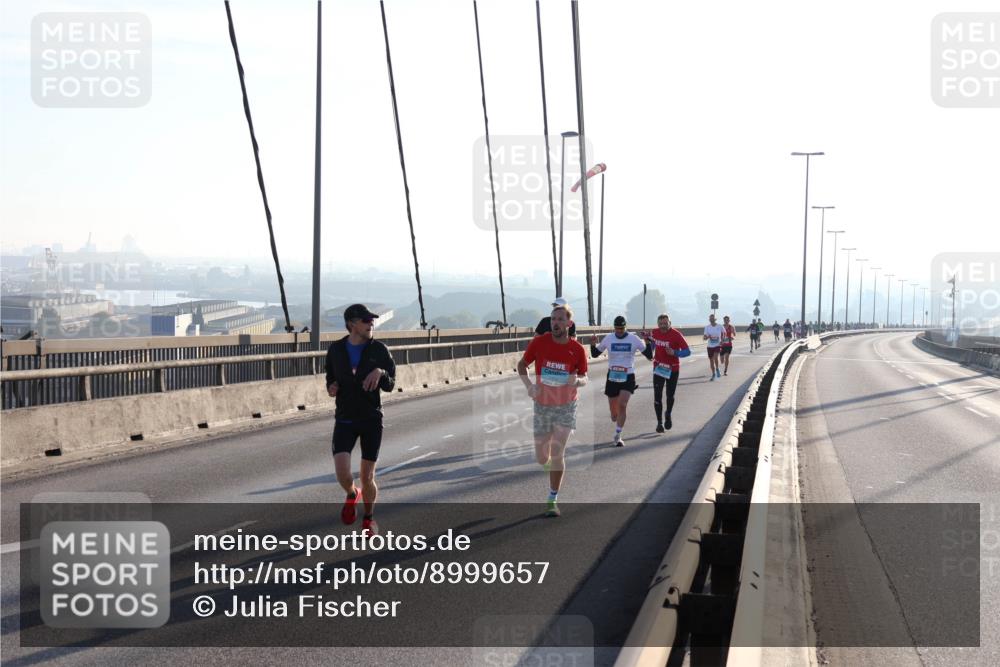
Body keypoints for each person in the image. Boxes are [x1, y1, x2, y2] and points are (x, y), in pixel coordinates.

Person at [326, 304, 396, 537]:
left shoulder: (380, 350)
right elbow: (330, 378)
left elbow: (391, 383)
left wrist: (381, 372)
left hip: (371, 420)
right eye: (366, 320)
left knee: (367, 476)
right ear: (352, 324)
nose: (371, 323)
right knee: (343, 473)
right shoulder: (335, 350)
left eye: (371, 320)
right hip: (345, 418)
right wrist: (332, 386)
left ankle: (368, 519)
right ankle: (350, 493)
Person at [518, 304, 588, 517]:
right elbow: (522, 366)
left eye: (559, 319)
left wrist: (577, 382)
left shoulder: (577, 349)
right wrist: (529, 386)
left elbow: (585, 377)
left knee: (558, 451)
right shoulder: (540, 342)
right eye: (552, 319)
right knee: (542, 457)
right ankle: (550, 467)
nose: (555, 323)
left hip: (566, 406)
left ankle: (552, 498)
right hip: (543, 404)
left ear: (569, 323)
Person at [589, 315, 647, 446]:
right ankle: (615, 417)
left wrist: (647, 341)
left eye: (621, 328)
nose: (619, 331)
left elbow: (649, 355)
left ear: (625, 327)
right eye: (617, 329)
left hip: (628, 375)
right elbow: (594, 354)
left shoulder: (634, 339)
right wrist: (593, 343)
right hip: (613, 376)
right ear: (614, 328)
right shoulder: (609, 338)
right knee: (614, 413)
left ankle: (618, 434)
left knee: (623, 405)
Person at [643, 314, 691, 431]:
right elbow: (652, 347)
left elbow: (687, 352)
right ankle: (659, 423)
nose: (663, 326)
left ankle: (668, 414)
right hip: (659, 368)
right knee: (657, 396)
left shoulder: (676, 335)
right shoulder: (655, 332)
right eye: (660, 324)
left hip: (672, 369)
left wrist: (675, 353)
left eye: (665, 323)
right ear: (657, 324)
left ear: (670, 323)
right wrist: (647, 341)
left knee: (670, 396)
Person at [703, 313, 724, 381]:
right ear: (709, 320)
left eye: (713, 319)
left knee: (715, 357)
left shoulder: (719, 326)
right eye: (710, 319)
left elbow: (724, 333)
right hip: (710, 346)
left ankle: (717, 368)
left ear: (715, 319)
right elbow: (705, 337)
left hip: (717, 345)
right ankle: (713, 374)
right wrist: (706, 337)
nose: (712, 320)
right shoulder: (707, 327)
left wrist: (722, 340)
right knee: (711, 361)